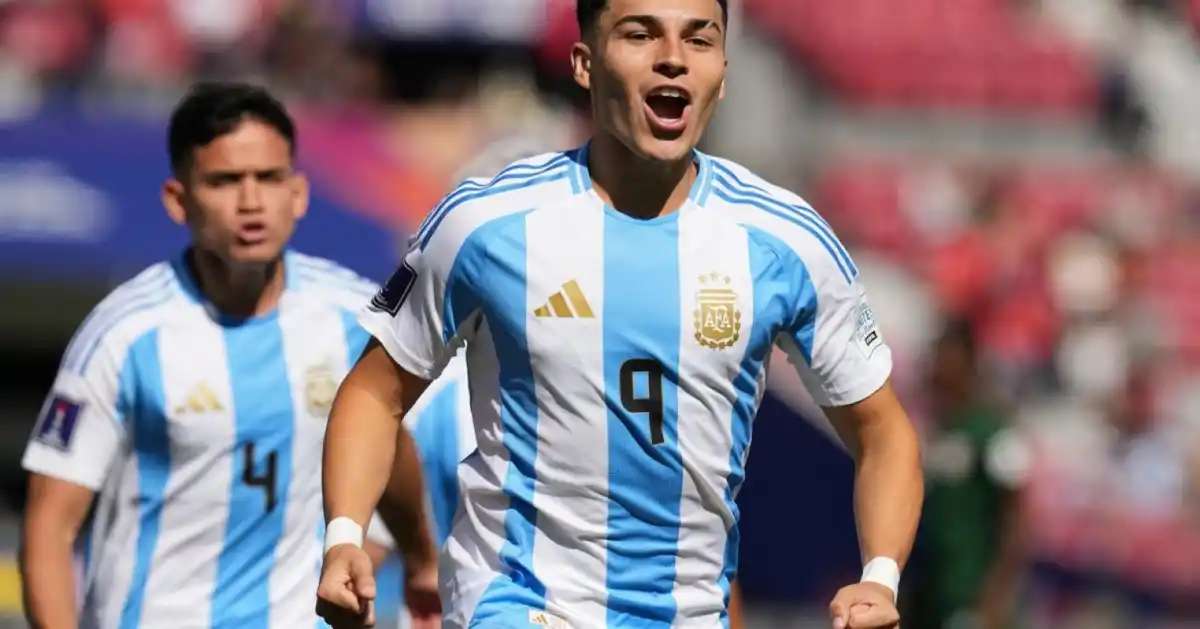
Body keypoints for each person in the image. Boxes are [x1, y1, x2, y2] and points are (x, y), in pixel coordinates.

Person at [317, 0, 925, 628]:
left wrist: (880, 579)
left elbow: (881, 431)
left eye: (698, 40)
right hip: (518, 605)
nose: (672, 58)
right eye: (640, 35)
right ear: (585, 64)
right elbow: (375, 392)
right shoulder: (487, 225)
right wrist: (343, 536)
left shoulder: (785, 242)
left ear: (723, 68)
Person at [18, 82, 380, 629]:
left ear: (299, 194)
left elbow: (404, 450)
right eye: (225, 181)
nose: (252, 201)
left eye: (269, 178)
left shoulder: (354, 317)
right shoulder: (126, 333)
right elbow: (49, 528)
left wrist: (413, 558)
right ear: (178, 200)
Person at [907, 320, 1029, 629]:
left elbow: (1015, 519)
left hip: (970, 595)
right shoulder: (933, 430)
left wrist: (995, 597)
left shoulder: (993, 433)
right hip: (928, 591)